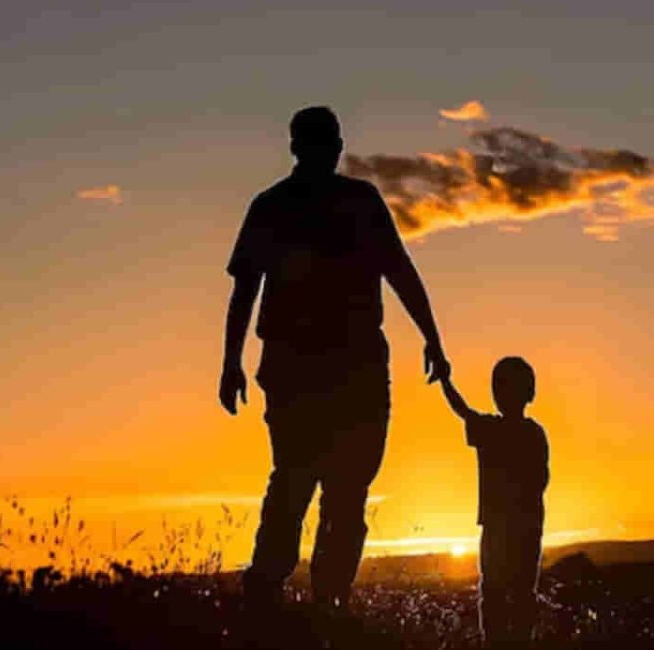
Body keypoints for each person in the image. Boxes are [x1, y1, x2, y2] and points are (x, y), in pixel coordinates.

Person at [219, 106, 450, 611]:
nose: (330, 150)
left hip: (350, 367)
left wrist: (433, 337)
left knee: (335, 489)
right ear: (301, 148)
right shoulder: (278, 206)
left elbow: (398, 269)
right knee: (300, 482)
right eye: (322, 142)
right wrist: (230, 362)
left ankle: (321, 602)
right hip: (307, 367)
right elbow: (245, 289)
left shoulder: (349, 202)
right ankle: (274, 594)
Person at [440, 357, 549, 648]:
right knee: (519, 594)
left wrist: (445, 380)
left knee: (494, 594)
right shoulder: (534, 433)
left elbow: (461, 409)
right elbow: (542, 480)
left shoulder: (490, 429)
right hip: (526, 528)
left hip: (500, 529)